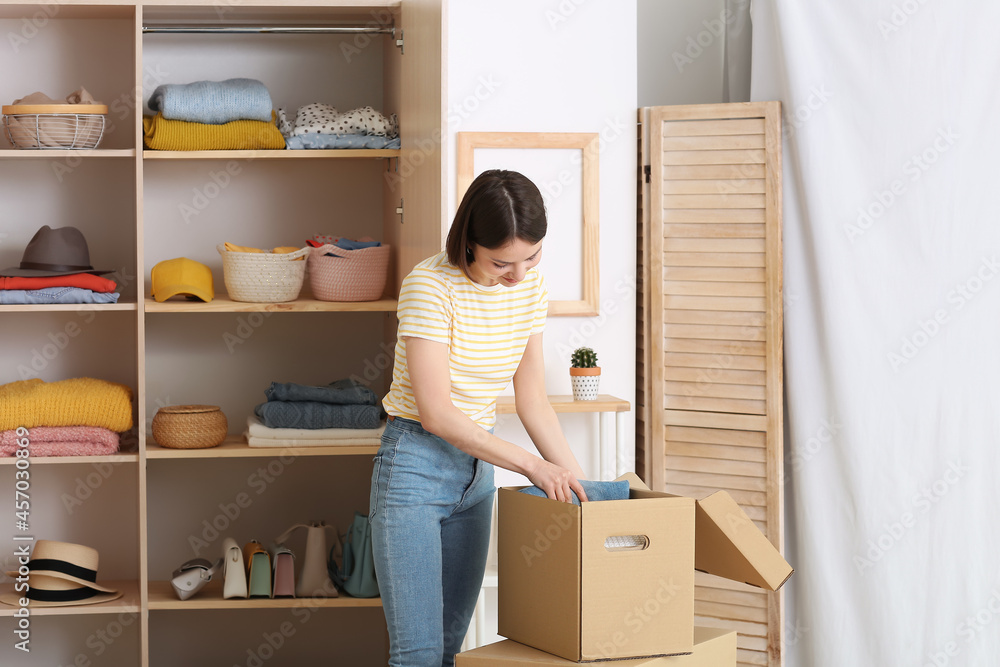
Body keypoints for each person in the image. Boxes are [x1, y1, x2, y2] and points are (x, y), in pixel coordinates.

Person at [370, 169, 589, 667]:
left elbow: (532, 398)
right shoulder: (429, 286)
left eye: (531, 256)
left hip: (477, 474)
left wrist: (580, 486)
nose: (518, 274)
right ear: (469, 241)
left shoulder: (529, 290)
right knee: (419, 656)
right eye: (502, 262)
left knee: (451, 652)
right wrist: (532, 467)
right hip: (414, 472)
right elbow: (437, 414)